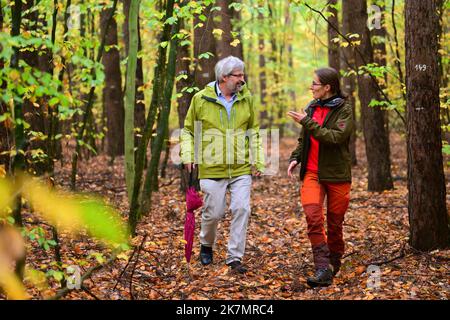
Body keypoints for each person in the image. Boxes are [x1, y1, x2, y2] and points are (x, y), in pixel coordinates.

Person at [180, 56, 265, 273]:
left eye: (242, 75)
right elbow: (189, 130)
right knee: (213, 213)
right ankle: (206, 245)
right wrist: (188, 154)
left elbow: (253, 130)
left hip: (240, 167)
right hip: (212, 166)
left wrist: (259, 159)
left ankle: (234, 257)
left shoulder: (247, 98)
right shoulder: (200, 99)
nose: (242, 80)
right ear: (223, 77)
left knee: (241, 209)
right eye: (238, 76)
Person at [287, 67, 354, 287]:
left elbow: (334, 138)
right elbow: (303, 140)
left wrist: (307, 122)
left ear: (327, 87)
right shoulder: (311, 108)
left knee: (335, 224)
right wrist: (296, 157)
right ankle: (323, 268)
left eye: (315, 84)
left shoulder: (344, 109)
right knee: (313, 218)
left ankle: (334, 261)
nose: (311, 87)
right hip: (312, 173)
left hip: (337, 175)